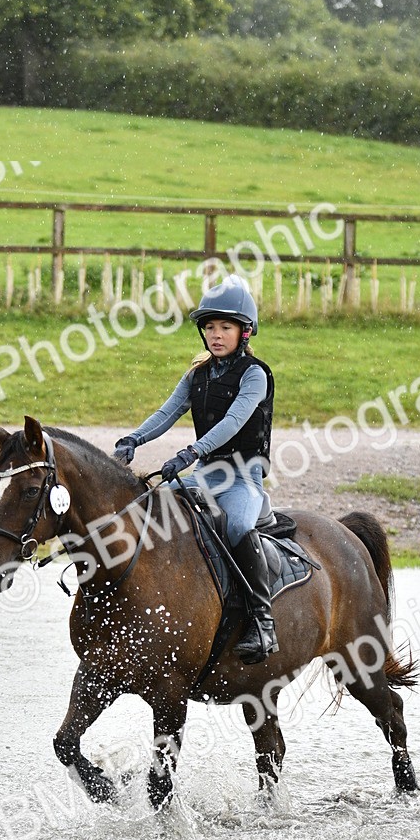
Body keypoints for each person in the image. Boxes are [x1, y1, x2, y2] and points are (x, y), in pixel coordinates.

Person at [113, 274, 278, 665]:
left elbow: (233, 423)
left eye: (225, 327)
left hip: (242, 477)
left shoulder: (255, 375)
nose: (216, 335)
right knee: (150, 510)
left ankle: (262, 621)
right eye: (210, 327)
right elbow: (167, 413)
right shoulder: (197, 375)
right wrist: (132, 439)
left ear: (245, 331)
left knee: (238, 527)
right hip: (204, 475)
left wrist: (190, 453)